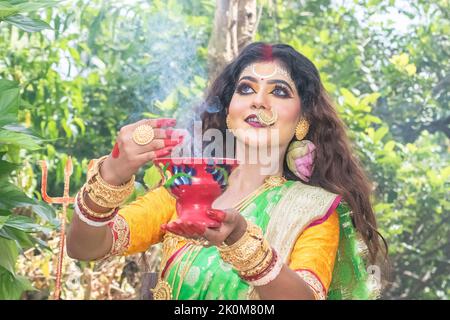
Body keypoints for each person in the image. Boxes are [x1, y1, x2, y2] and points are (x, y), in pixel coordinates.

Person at [66, 42, 387, 300]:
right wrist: (112, 174)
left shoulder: (313, 210)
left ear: (303, 120)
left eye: (279, 91)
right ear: (229, 111)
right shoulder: (187, 190)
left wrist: (241, 241)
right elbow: (85, 247)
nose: (259, 102)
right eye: (246, 89)